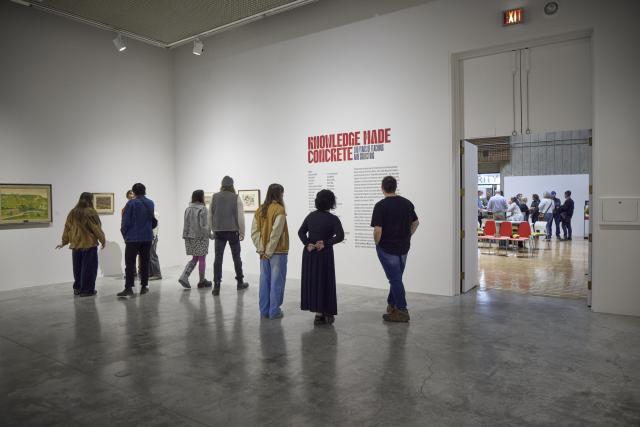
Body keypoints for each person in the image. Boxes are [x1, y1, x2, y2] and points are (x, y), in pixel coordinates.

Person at [371, 176, 419, 323]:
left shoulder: (380, 206)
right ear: (395, 187)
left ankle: (402, 310)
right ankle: (392, 305)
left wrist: (377, 244)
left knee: (395, 279)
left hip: (387, 248)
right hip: (403, 247)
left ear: (382, 188)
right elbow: (416, 223)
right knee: (396, 278)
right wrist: (407, 236)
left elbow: (377, 230)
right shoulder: (407, 203)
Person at [298, 189, 345, 325]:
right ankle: (326, 312)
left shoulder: (311, 216)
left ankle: (318, 314)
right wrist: (325, 243)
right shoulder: (333, 219)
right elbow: (340, 236)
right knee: (325, 281)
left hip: (310, 253)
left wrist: (308, 244)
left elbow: (301, 232)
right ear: (331, 202)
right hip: (324, 254)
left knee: (313, 281)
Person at [56, 192, 106, 297]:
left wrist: (64, 242)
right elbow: (96, 228)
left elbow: (67, 228)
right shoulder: (90, 212)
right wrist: (103, 240)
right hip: (88, 244)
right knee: (89, 268)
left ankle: (77, 288)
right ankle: (87, 290)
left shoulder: (73, 212)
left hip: (76, 245)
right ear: (90, 200)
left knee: (77, 268)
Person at [251, 184, 289, 319]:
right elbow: (276, 233)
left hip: (263, 253)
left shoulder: (260, 210)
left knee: (264, 281)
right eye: (282, 193)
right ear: (279, 194)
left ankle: (264, 310)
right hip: (277, 252)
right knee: (276, 282)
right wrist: (269, 251)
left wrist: (262, 250)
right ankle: (274, 311)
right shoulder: (279, 210)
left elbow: (254, 232)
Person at [209, 176, 249, 296]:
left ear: (222, 185)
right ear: (232, 185)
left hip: (219, 232)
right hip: (233, 232)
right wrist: (242, 232)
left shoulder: (214, 197)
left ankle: (216, 286)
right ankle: (240, 282)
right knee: (236, 257)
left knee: (218, 259)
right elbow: (240, 217)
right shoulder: (236, 197)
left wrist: (213, 229)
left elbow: (210, 214)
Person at [118, 183, 155, 297]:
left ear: (134, 192)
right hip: (147, 237)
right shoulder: (150, 203)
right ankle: (144, 286)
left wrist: (125, 236)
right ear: (144, 191)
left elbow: (125, 222)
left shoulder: (131, 203)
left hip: (133, 238)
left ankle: (129, 288)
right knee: (144, 262)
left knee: (130, 264)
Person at [179, 190, 212, 289]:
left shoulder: (188, 208)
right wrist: (210, 235)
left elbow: (185, 224)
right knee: (202, 258)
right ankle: (201, 281)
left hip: (189, 237)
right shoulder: (203, 209)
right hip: (200, 237)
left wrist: (185, 235)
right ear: (201, 197)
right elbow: (204, 226)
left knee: (195, 258)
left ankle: (184, 276)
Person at [148, 208, 162, 281]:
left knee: (152, 255)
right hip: (152, 236)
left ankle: (157, 274)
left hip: (152, 237)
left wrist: (153, 237)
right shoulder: (153, 213)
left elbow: (154, 227)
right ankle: (151, 273)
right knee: (150, 255)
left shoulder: (154, 214)